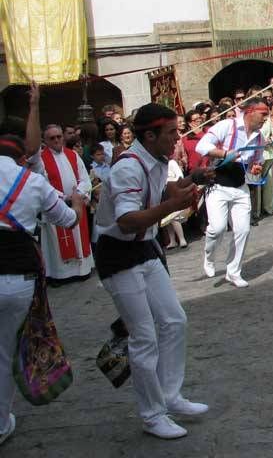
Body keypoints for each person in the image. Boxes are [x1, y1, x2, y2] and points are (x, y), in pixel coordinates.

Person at [93, 103, 209, 439]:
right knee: (143, 337)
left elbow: (161, 194)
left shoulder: (158, 160)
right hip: (117, 255)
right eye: (171, 132)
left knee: (174, 320)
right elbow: (127, 221)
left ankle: (170, 396)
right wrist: (173, 205)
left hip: (143, 249)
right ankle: (152, 415)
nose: (177, 137)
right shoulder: (128, 168)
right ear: (150, 135)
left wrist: (193, 180)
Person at [0, 133, 86, 447]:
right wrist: (76, 204)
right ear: (22, 157)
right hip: (15, 277)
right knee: (4, 351)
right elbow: (67, 220)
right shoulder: (33, 182)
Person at [196, 97, 269, 288]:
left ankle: (233, 272)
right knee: (217, 228)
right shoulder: (227, 125)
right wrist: (224, 153)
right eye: (263, 114)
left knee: (243, 230)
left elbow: (257, 160)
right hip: (217, 187)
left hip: (240, 188)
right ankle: (209, 256)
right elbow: (201, 146)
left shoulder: (259, 136)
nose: (265, 119)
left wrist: (256, 167)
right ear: (250, 111)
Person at [29, 120, 94, 283]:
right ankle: (60, 275)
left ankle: (82, 270)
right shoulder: (41, 160)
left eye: (59, 136)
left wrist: (78, 194)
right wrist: (65, 198)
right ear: (45, 140)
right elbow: (42, 183)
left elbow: (85, 178)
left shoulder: (72, 155)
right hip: (56, 206)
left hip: (76, 203)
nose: (57, 140)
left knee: (79, 237)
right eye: (52, 138)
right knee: (57, 243)